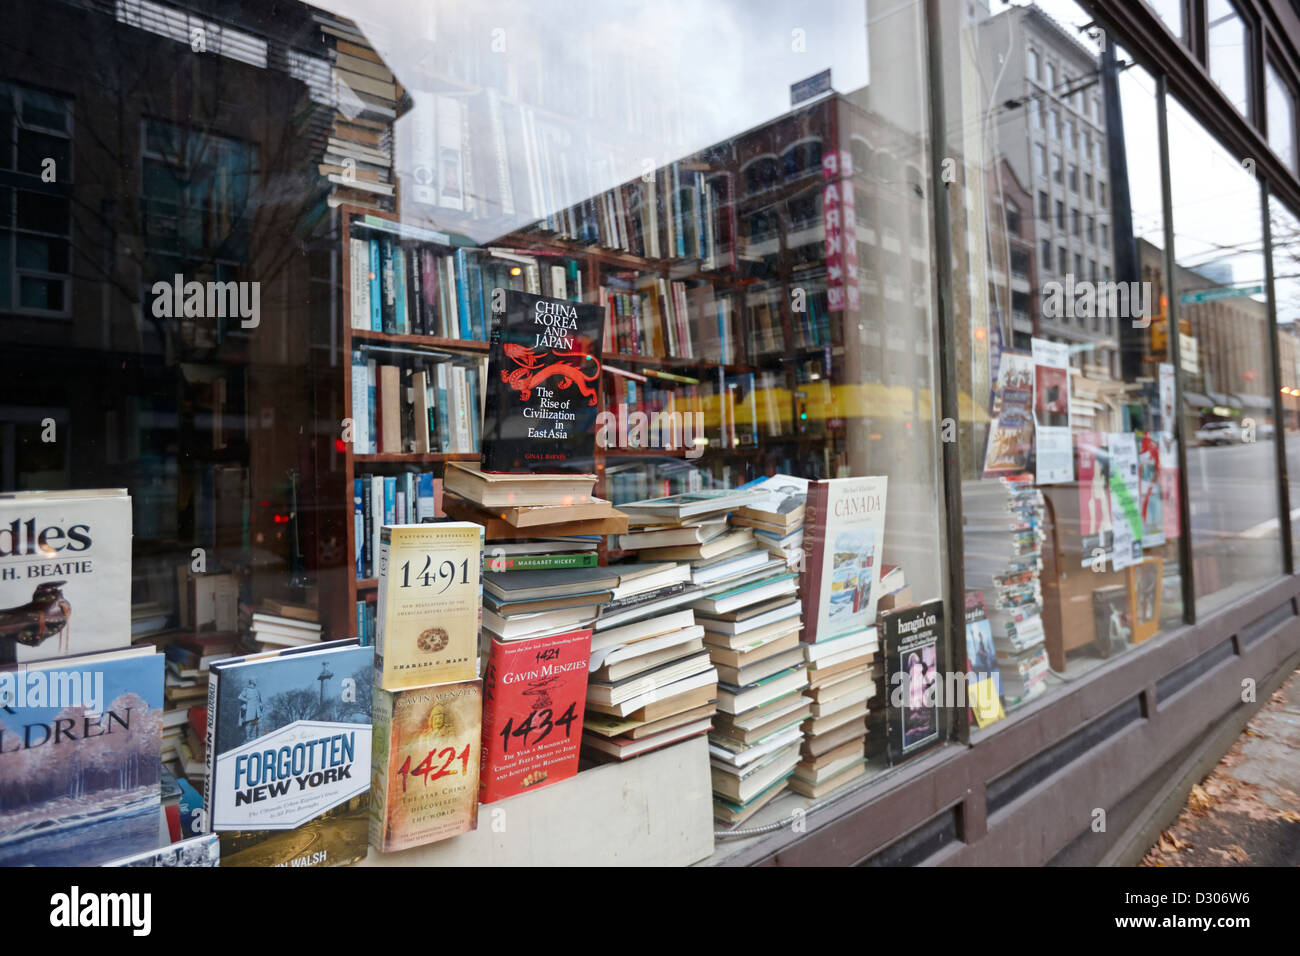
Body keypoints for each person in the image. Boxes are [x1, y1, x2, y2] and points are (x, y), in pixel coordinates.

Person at [238, 678, 263, 744]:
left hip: (256, 708)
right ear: (252, 681)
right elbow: (240, 697)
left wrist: (260, 704)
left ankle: (257, 736)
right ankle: (248, 737)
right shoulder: (246, 689)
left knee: (257, 722)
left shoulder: (257, 690)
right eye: (255, 680)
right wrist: (247, 701)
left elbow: (260, 700)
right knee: (249, 723)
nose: (256, 681)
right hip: (250, 707)